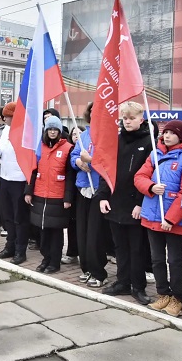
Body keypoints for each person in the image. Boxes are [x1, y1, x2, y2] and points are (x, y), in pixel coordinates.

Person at [96, 101, 154, 304]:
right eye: (125, 118)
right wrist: (103, 196)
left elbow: (150, 174)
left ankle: (138, 286)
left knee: (137, 248)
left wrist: (140, 202)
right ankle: (122, 281)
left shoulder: (149, 142)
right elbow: (105, 169)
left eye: (132, 118)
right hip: (115, 201)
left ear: (141, 119)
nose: (127, 121)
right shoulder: (116, 140)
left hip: (136, 202)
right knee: (120, 246)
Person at [134, 120, 182, 317]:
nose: (167, 136)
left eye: (172, 133)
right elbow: (139, 177)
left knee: (174, 259)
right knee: (157, 259)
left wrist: (171, 218)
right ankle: (162, 294)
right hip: (152, 216)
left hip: (174, 220)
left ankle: (177, 299)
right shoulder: (154, 154)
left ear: (181, 136)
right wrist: (150, 187)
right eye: (165, 132)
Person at [25, 116, 76, 274]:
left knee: (55, 232)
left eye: (55, 129)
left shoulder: (68, 148)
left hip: (58, 197)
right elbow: (33, 171)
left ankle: (54, 262)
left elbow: (70, 175)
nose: (52, 132)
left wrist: (68, 197)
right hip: (40, 194)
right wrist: (28, 191)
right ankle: (46, 258)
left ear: (60, 131)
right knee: (43, 231)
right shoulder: (39, 147)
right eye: (50, 129)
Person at [71, 103, 107, 287]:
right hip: (82, 188)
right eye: (91, 111)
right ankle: (86, 268)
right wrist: (78, 162)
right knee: (82, 232)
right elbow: (74, 155)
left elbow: (108, 162)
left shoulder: (108, 135)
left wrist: (91, 162)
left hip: (98, 189)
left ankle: (98, 271)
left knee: (95, 234)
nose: (94, 114)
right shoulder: (84, 135)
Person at [0, 102, 28, 265]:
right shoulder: (5, 130)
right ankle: (10, 246)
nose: (4, 119)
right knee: (7, 215)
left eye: (7, 116)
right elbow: (2, 150)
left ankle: (21, 250)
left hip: (19, 179)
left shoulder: (24, 131)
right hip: (5, 177)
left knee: (19, 217)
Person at [61, 126, 83, 265]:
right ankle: (72, 252)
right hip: (71, 191)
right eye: (74, 134)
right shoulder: (68, 150)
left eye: (79, 133)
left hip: (84, 191)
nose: (76, 136)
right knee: (72, 224)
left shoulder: (86, 149)